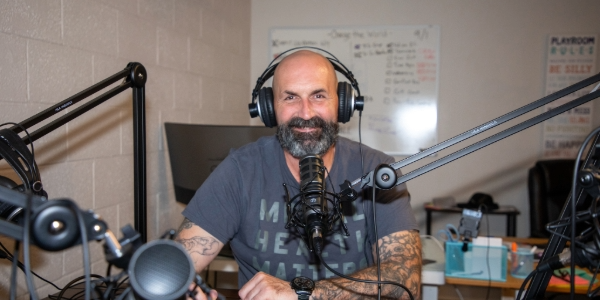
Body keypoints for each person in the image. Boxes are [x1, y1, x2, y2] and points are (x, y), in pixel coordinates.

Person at [177, 49, 421, 300]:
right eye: (291, 97)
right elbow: (176, 265)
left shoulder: (375, 169)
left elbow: (406, 281)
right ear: (269, 108)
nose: (305, 113)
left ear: (342, 104)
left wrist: (307, 295)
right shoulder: (240, 170)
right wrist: (182, 290)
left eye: (318, 96)